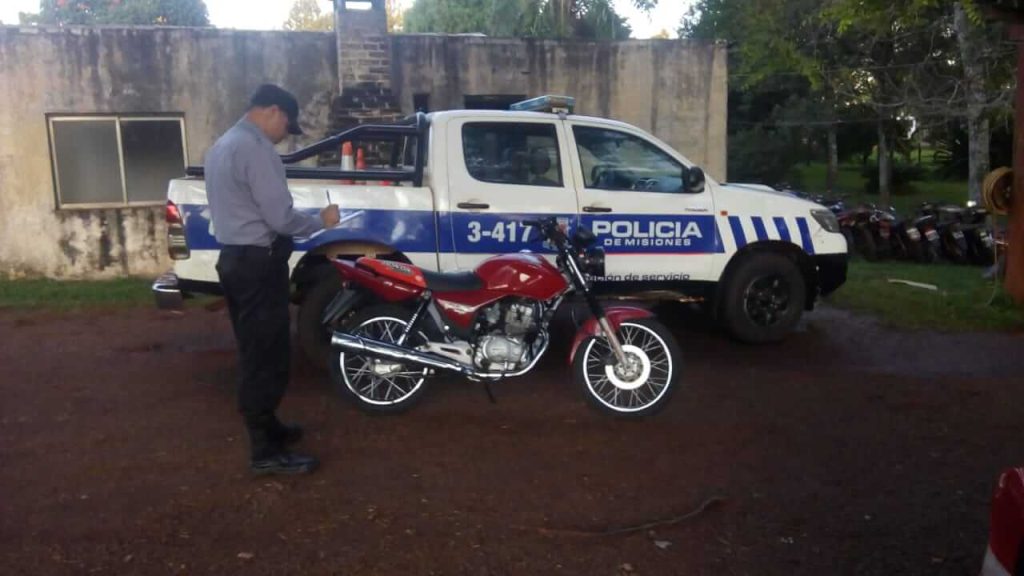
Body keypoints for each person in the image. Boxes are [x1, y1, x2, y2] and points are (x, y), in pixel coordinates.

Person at [205, 84, 340, 475]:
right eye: (287, 125)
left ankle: (269, 428)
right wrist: (321, 222)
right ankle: (264, 452)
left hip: (236, 260)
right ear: (274, 112)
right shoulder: (256, 149)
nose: (284, 135)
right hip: (259, 263)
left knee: (255, 348)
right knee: (267, 354)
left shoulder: (222, 146)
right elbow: (280, 219)